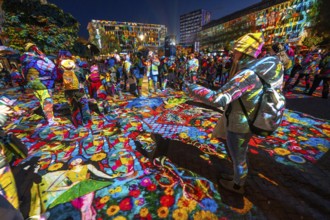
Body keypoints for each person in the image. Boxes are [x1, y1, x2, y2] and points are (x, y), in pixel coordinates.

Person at [186, 33, 284, 194]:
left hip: (240, 122)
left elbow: (219, 98)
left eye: (236, 50)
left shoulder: (247, 74)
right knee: (240, 152)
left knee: (238, 156)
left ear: (244, 51)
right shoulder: (265, 67)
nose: (233, 54)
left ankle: (238, 185)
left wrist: (192, 88)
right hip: (251, 116)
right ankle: (238, 178)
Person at [20, 43, 58, 126]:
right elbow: (52, 67)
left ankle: (47, 116)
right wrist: (44, 57)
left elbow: (23, 76)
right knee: (47, 102)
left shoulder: (24, 64)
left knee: (42, 101)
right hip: (44, 85)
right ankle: (51, 121)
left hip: (34, 86)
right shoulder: (37, 61)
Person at [60, 58, 92, 127]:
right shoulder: (79, 70)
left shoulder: (63, 71)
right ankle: (87, 121)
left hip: (69, 92)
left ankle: (78, 123)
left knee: (74, 107)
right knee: (84, 105)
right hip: (80, 90)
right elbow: (83, 78)